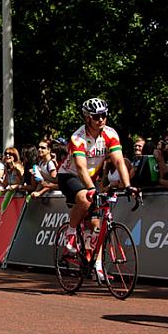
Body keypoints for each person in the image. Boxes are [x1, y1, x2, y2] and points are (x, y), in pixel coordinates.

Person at [57, 98, 138, 281]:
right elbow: (81, 168)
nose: (101, 119)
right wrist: (92, 189)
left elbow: (118, 160)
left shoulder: (110, 134)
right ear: (87, 118)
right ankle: (70, 234)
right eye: (96, 116)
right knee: (86, 199)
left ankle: (95, 265)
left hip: (91, 178)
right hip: (70, 176)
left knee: (96, 226)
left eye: (104, 115)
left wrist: (127, 185)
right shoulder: (78, 137)